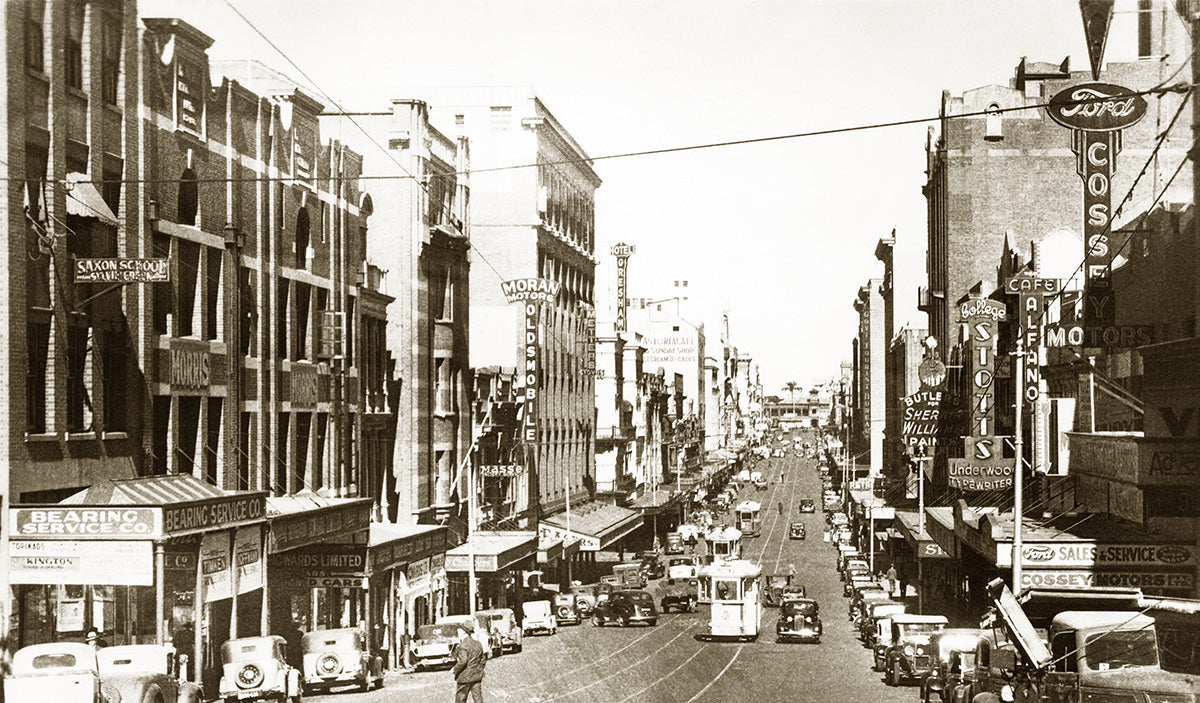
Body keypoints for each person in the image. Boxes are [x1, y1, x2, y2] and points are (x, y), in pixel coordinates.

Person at [453, 619, 486, 703]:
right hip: (477, 675)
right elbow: (483, 659)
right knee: (478, 698)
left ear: (463, 633)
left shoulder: (463, 645)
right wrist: (479, 669)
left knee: (461, 698)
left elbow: (463, 661)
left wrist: (454, 669)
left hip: (464, 677)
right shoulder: (478, 644)